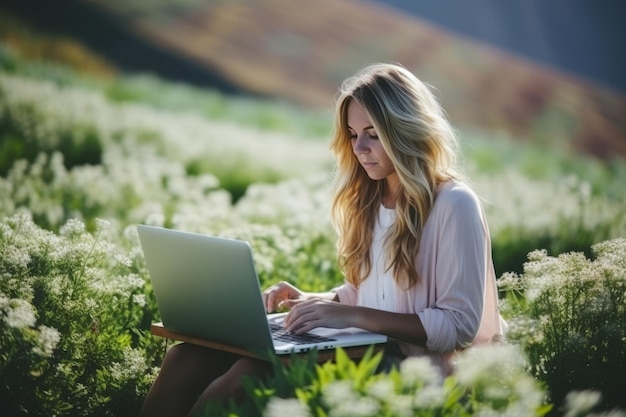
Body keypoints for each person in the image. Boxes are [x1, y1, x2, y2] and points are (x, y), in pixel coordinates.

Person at [139, 63, 504, 417]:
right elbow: (370, 295)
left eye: (373, 134)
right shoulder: (373, 199)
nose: (359, 147)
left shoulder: (454, 204)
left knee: (247, 375)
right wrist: (314, 301)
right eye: (352, 133)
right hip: (362, 350)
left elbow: (457, 327)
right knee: (185, 357)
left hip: (412, 373)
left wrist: (348, 314)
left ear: (406, 129)